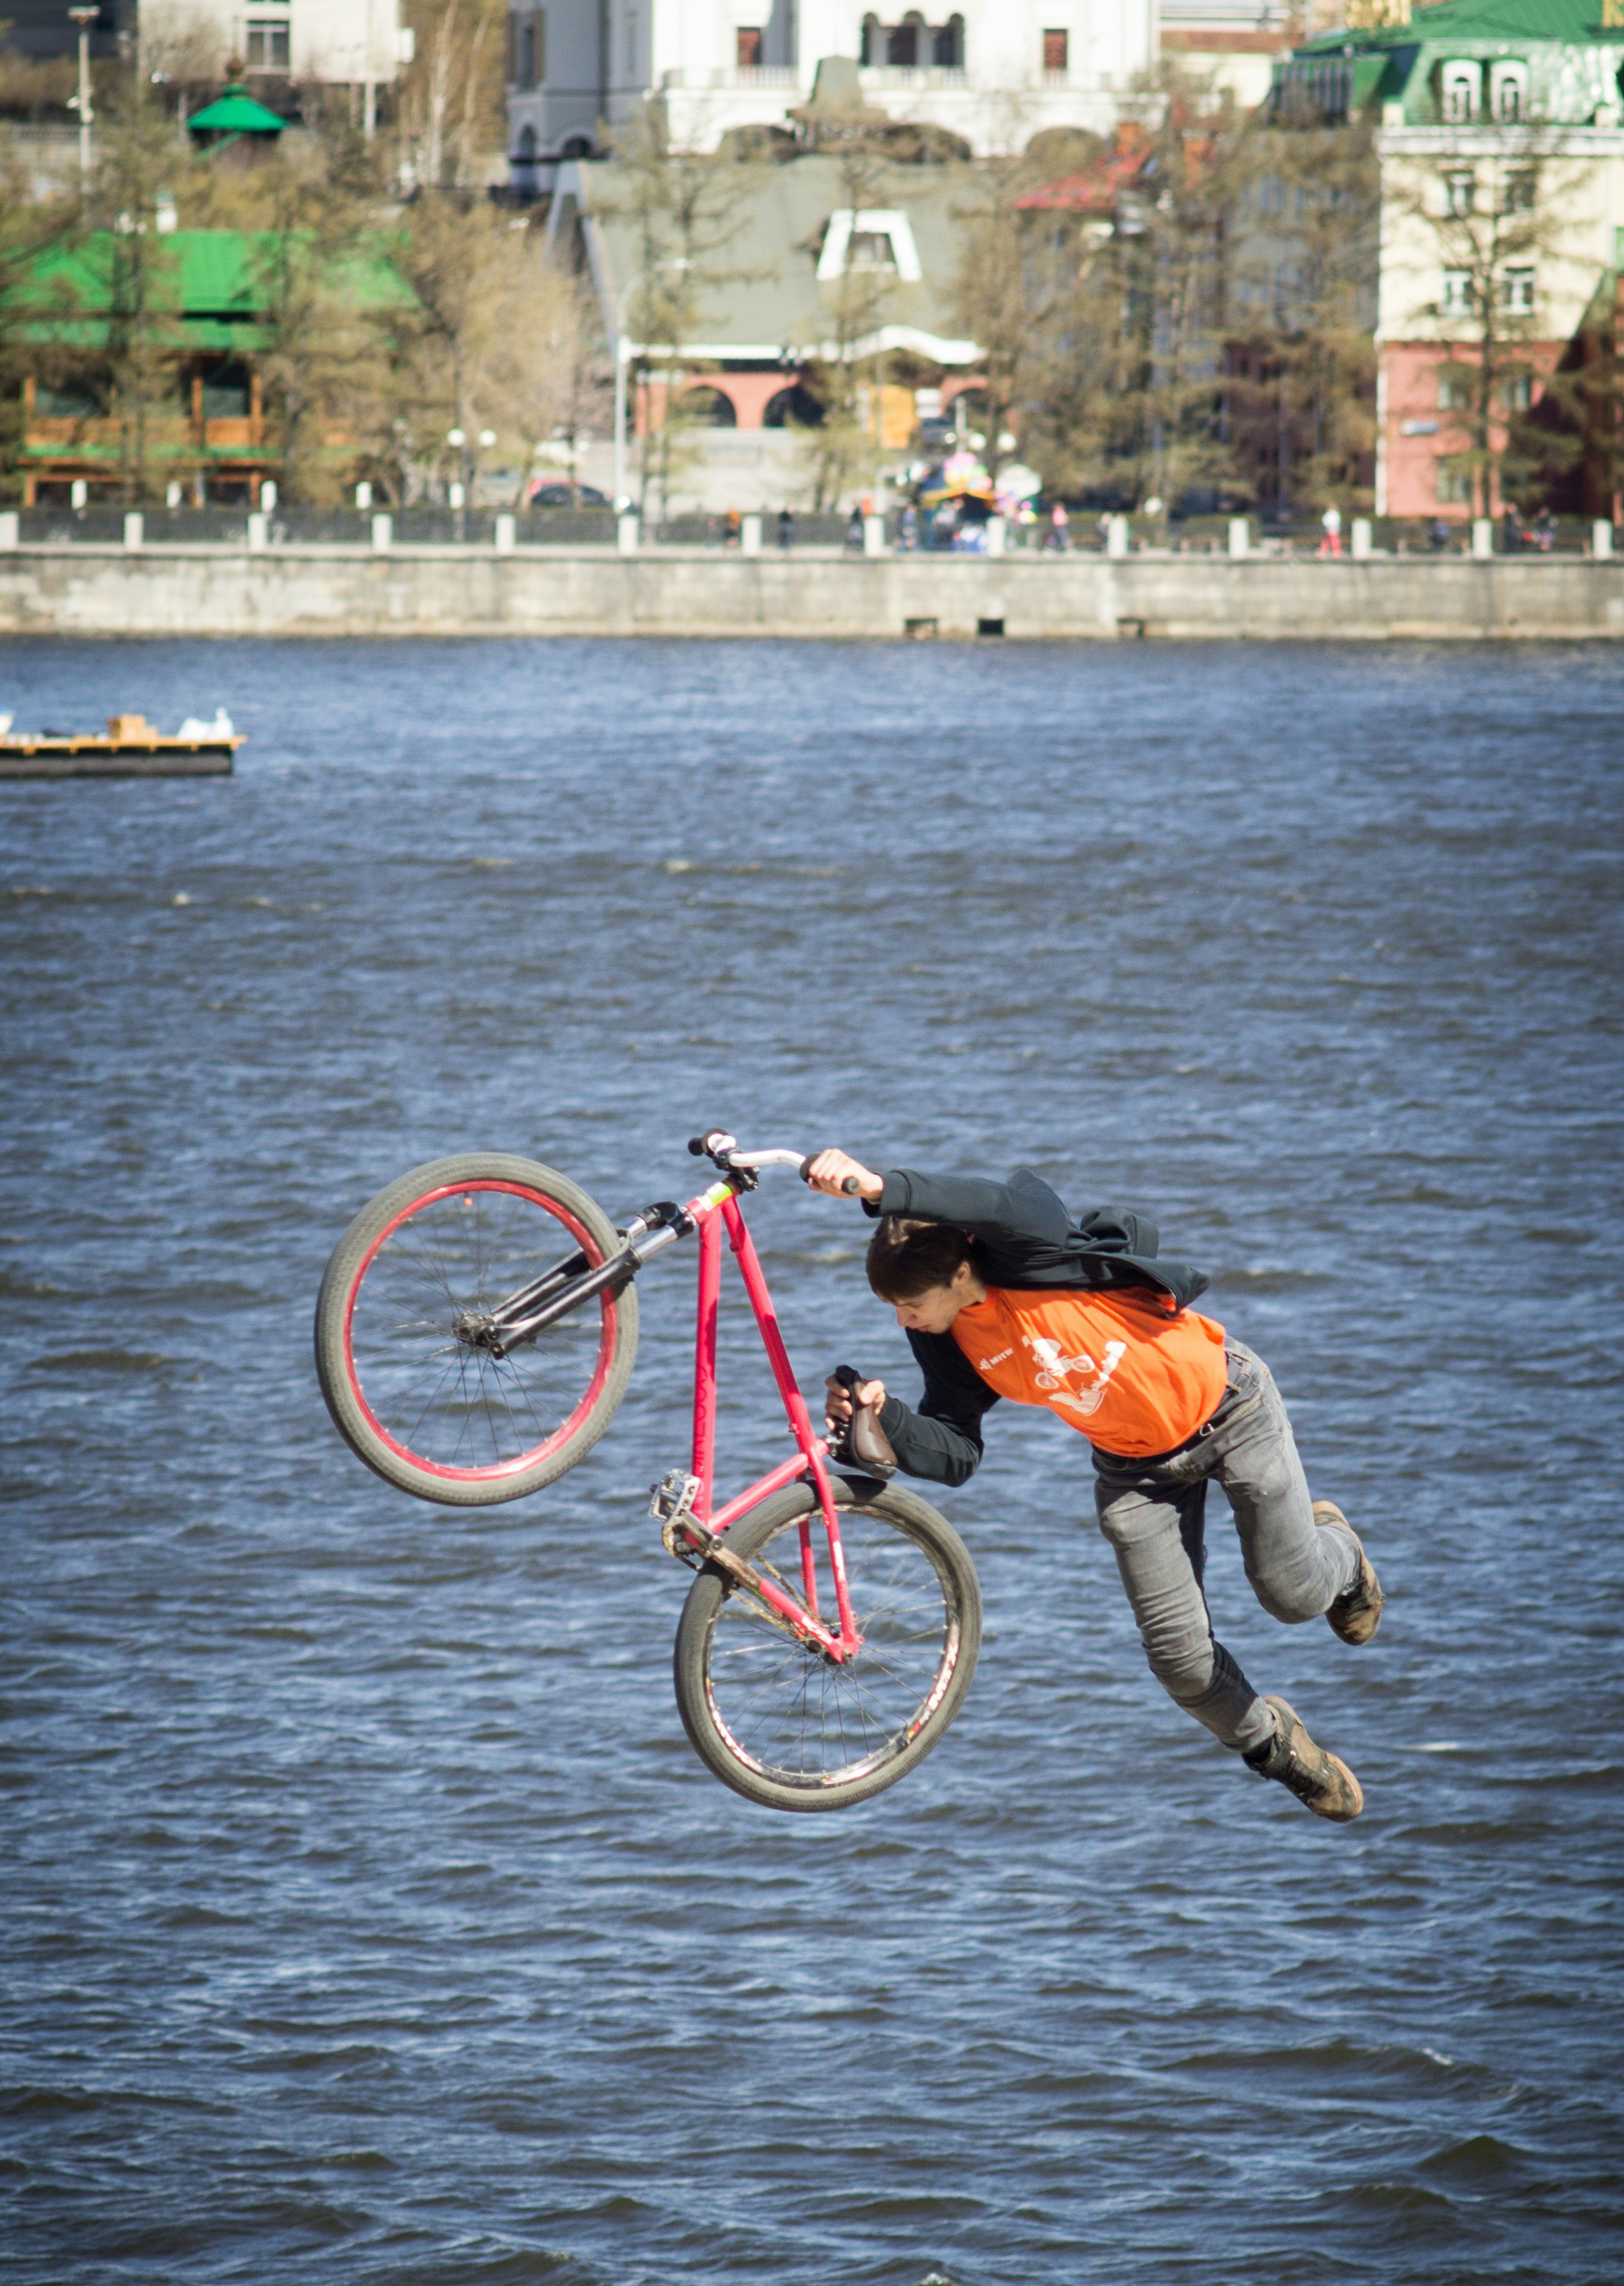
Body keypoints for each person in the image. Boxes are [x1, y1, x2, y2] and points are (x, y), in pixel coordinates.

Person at [803, 1151, 1384, 1824]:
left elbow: (989, 1202)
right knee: (1178, 1662)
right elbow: (956, 1449)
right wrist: (886, 1418)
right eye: (894, 1309)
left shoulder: (1031, 1249)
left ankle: (1342, 1558)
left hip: (1230, 1408)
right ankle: (1276, 1748)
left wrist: (879, 1188)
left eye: (909, 1305)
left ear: (960, 1270)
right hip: (1134, 1467)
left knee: (1291, 1594)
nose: (903, 1321)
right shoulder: (945, 1336)